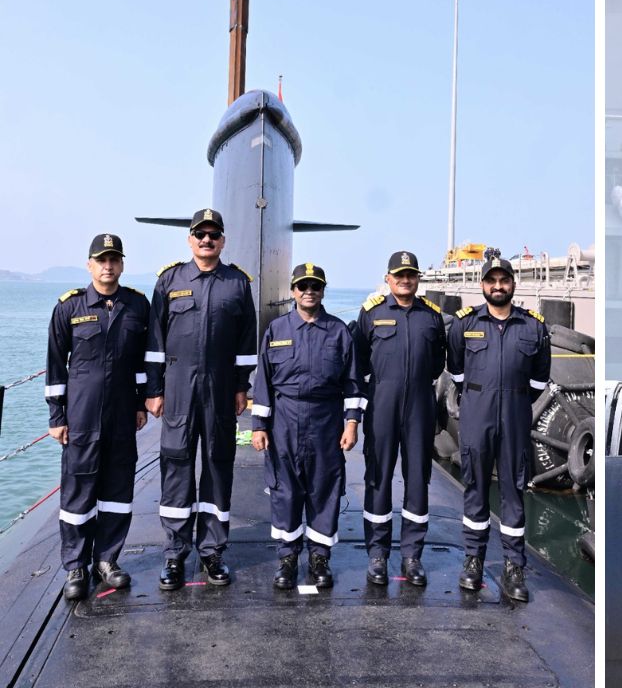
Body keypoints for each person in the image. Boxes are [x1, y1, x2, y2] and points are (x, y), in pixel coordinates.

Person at [144, 208, 256, 590]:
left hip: (221, 387)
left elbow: (246, 343)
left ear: (222, 240)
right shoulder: (169, 280)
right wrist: (154, 390)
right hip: (177, 386)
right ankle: (175, 555)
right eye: (200, 234)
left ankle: (212, 551)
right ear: (189, 239)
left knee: (218, 463)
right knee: (175, 465)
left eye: (213, 234)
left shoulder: (237, 283)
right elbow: (155, 342)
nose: (206, 240)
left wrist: (242, 386)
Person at [45, 234, 150, 600]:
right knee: (78, 491)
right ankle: (76, 566)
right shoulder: (69, 308)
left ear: (122, 264)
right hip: (82, 416)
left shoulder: (137, 306)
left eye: (114, 259)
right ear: (90, 265)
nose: (108, 266)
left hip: (122, 415)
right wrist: (56, 416)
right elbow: (56, 366)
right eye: (101, 260)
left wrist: (140, 403)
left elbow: (141, 364)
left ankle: (107, 560)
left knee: (118, 491)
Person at [251, 264, 364, 589]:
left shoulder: (339, 331)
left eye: (315, 286)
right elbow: (264, 383)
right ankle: (287, 558)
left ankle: (319, 557)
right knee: (285, 492)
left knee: (324, 491)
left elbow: (353, 384)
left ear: (323, 290)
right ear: (293, 290)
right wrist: (259, 425)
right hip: (284, 421)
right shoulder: (277, 330)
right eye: (303, 286)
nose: (308, 291)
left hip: (325, 421)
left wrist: (352, 423)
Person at [446, 257, 550, 603]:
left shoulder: (533, 327)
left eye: (504, 280)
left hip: (517, 413)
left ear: (513, 284)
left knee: (514, 488)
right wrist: (483, 394)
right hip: (478, 411)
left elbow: (539, 379)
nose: (498, 286)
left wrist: (513, 398)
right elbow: (456, 371)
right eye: (492, 281)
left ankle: (513, 565)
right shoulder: (465, 324)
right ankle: (473, 560)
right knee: (475, 485)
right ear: (483, 285)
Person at [353, 251, 446, 587]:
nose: (405, 280)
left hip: (420, 406)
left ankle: (411, 555)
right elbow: (359, 360)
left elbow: (437, 362)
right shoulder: (372, 313)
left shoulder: (432, 317)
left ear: (418, 279)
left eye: (411, 275)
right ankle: (377, 554)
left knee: (418, 480)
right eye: (399, 275)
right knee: (377, 478)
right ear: (388, 278)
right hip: (382, 405)